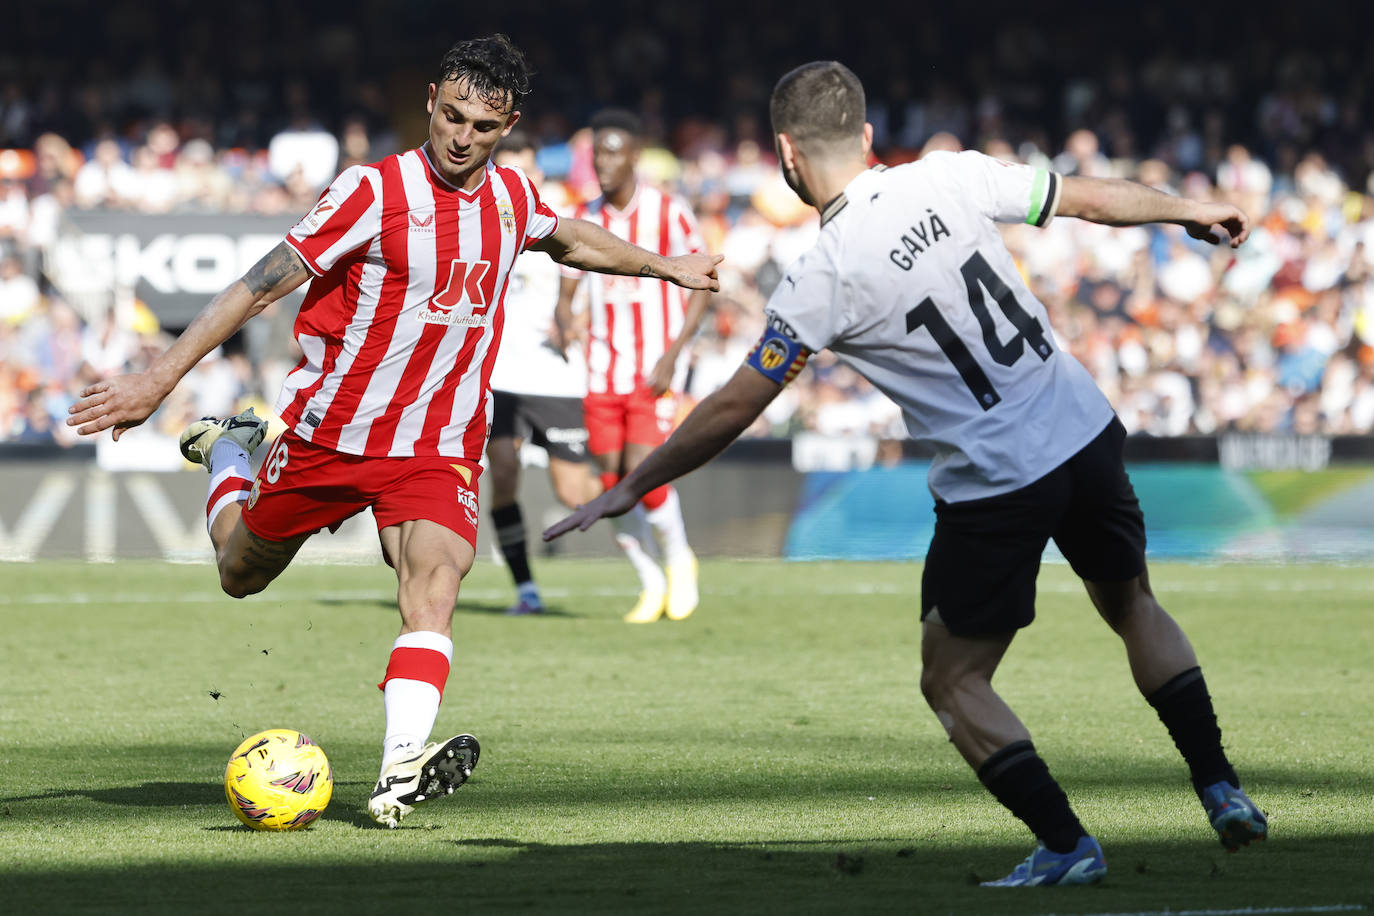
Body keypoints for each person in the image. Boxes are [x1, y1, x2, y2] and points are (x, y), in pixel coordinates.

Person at [545, 61, 1266, 886]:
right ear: (866, 135)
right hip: (1083, 426)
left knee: (953, 679)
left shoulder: (821, 274)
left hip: (999, 476)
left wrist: (632, 485)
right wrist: (1190, 208)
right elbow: (1092, 198)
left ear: (785, 154)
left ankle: (1067, 846)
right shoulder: (950, 176)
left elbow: (734, 404)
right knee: (1132, 602)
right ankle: (1222, 788)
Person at [67, 35, 720, 829]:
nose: (461, 137)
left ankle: (395, 775)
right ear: (431, 103)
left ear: (507, 124)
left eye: (482, 126)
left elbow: (572, 237)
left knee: (436, 583)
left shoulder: (511, 201)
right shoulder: (371, 193)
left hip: (438, 446)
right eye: (451, 116)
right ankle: (233, 455)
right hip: (330, 435)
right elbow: (259, 285)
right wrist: (157, 378)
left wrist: (665, 266)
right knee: (240, 572)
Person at [555, 109, 710, 623]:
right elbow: (569, 285)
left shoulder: (668, 211)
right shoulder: (585, 215)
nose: (603, 161)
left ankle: (679, 561)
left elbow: (703, 282)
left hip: (652, 369)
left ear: (636, 156)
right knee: (610, 489)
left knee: (646, 479)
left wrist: (674, 354)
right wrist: (565, 317)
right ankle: (649, 582)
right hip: (601, 372)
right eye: (597, 152)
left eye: (614, 151)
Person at [485, 130, 599, 615]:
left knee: (574, 491)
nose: (519, 177)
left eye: (527, 168)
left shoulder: (556, 221)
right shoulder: (477, 218)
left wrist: (578, 321)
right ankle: (526, 589)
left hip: (553, 376)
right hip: (496, 376)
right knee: (504, 474)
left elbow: (586, 281)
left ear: (539, 172)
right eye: (508, 168)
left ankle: (649, 508)